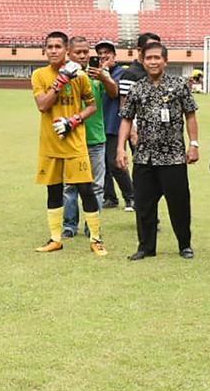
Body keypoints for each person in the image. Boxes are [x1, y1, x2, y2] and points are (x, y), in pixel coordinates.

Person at [117, 42, 198, 260]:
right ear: (143, 61)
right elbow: (126, 119)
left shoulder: (179, 85)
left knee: (179, 203)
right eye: (149, 58)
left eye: (157, 58)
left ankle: (184, 245)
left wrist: (194, 144)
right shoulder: (137, 88)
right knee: (144, 205)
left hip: (173, 156)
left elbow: (190, 114)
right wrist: (120, 149)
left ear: (165, 61)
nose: (153, 62)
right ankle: (145, 247)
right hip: (144, 156)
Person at [30, 31, 105, 256]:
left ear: (66, 51)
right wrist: (61, 80)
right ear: (45, 51)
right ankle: (55, 238)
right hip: (50, 144)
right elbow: (43, 105)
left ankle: (95, 239)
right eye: (49, 47)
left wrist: (74, 121)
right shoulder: (39, 75)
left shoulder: (81, 76)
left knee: (86, 190)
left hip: (74, 143)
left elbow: (92, 105)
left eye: (58, 47)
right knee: (53, 191)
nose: (53, 50)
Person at [63, 36, 116, 239]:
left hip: (95, 138)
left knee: (96, 185)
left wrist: (105, 77)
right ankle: (69, 225)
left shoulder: (97, 75)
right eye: (79, 52)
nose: (84, 56)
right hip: (71, 137)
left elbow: (113, 93)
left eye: (86, 52)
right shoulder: (64, 74)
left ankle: (92, 225)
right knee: (70, 186)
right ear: (69, 53)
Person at [97, 40, 133, 212]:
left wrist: (105, 74)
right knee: (102, 163)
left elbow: (115, 92)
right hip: (99, 124)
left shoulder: (121, 73)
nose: (103, 56)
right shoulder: (95, 73)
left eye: (107, 53)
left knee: (115, 163)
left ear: (114, 55)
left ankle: (131, 197)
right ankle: (110, 197)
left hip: (115, 123)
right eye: (100, 53)